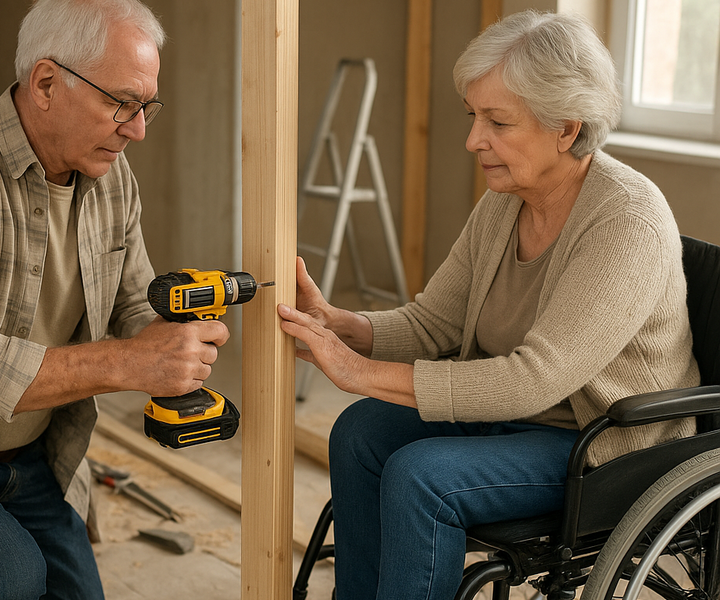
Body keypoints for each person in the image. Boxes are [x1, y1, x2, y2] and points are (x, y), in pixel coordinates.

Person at [278, 9, 699, 600]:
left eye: (497, 122)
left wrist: (360, 373)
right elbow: (434, 323)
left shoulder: (627, 221)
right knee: (360, 433)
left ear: (566, 128)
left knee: (422, 477)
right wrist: (343, 327)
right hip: (520, 418)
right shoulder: (508, 200)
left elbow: (533, 380)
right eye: (474, 116)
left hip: (602, 444)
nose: (474, 140)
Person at [0, 1, 229, 598]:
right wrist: (129, 362)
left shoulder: (112, 178)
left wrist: (180, 333)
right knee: (6, 580)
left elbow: (135, 305)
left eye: (147, 107)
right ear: (45, 83)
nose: (137, 129)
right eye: (122, 102)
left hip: (27, 449)